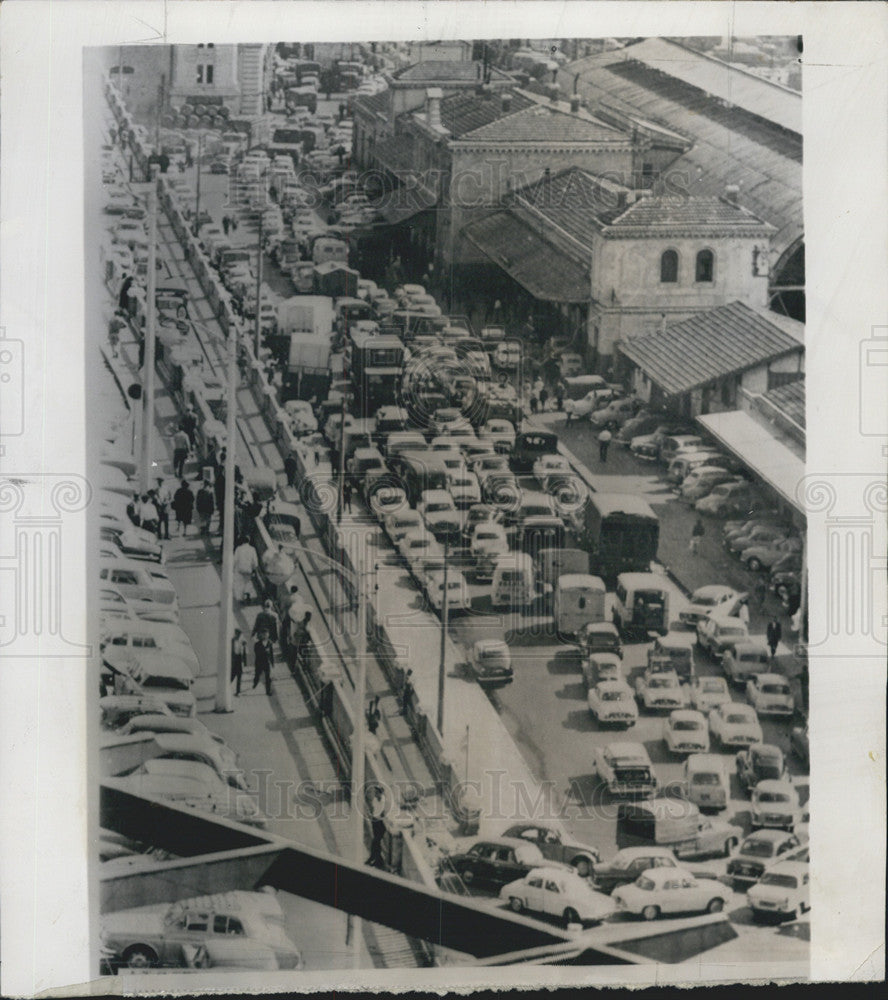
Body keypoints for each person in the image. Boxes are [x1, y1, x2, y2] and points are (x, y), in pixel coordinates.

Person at [366, 785, 388, 868]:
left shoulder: (382, 800)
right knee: (376, 842)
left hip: (379, 823)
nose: (375, 794)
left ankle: (373, 858)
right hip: (374, 821)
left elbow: (381, 813)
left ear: (380, 793)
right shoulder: (376, 799)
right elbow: (374, 809)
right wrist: (371, 815)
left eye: (376, 792)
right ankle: (377, 860)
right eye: (375, 792)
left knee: (375, 842)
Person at [234, 537, 259, 603]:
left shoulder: (238, 549)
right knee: (248, 582)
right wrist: (254, 569)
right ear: (249, 541)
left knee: (241, 583)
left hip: (240, 568)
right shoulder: (252, 549)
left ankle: (242, 597)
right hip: (249, 569)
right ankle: (247, 594)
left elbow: (235, 559)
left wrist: (234, 568)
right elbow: (255, 561)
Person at [231, 629, 248, 696]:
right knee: (231, 677)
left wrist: (245, 662)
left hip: (239, 661)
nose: (238, 636)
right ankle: (225, 688)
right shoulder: (232, 641)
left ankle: (238, 692)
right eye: (237, 634)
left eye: (239, 635)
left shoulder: (242, 642)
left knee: (239, 677)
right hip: (234, 660)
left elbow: (244, 653)